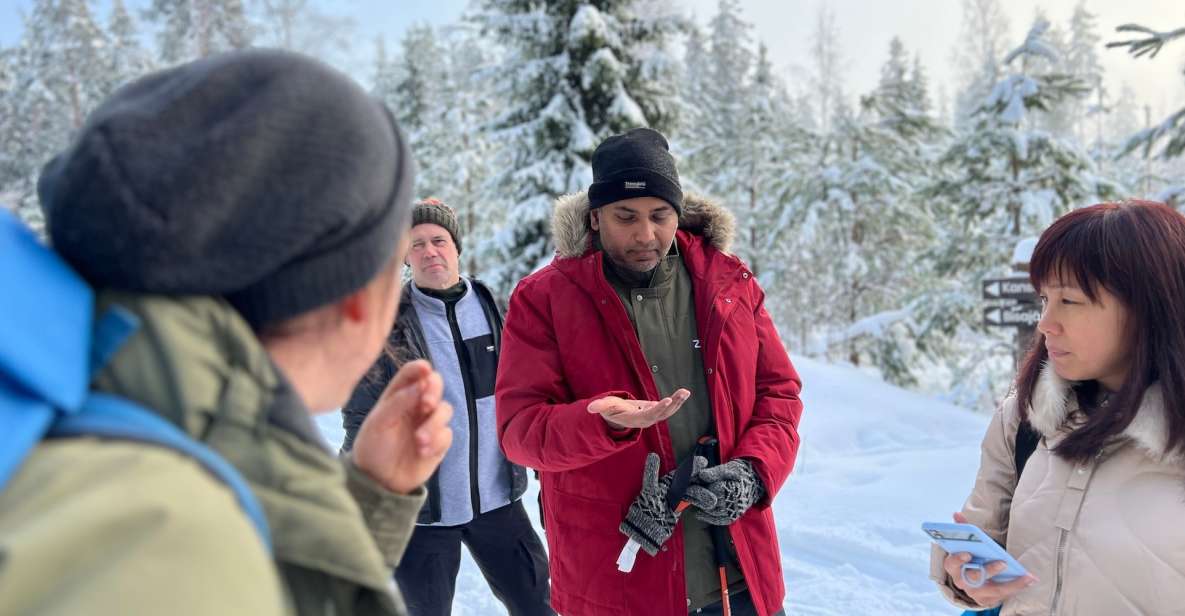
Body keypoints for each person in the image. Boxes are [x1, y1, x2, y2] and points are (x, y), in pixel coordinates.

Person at [0, 49, 453, 615]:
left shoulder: (101, 451)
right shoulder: (167, 546)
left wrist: (366, 498)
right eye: (396, 259)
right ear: (356, 301)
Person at [494, 127, 803, 616]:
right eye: (625, 217)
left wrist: (753, 472)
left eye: (660, 216)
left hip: (737, 570)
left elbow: (779, 393)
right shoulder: (544, 299)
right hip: (616, 579)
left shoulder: (728, 282)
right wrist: (602, 422)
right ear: (595, 217)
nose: (645, 234)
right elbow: (519, 430)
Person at [930, 200, 1185, 615]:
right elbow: (981, 538)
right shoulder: (1026, 417)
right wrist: (964, 576)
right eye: (1044, 299)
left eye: (1070, 301)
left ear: (1150, 306)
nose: (1046, 322)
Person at [342, 198, 552, 616]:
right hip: (425, 511)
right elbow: (361, 417)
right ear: (404, 256)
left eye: (438, 240)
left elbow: (531, 391)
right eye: (416, 244)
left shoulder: (497, 307)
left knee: (539, 605)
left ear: (456, 246)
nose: (429, 251)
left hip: (499, 501)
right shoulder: (390, 324)